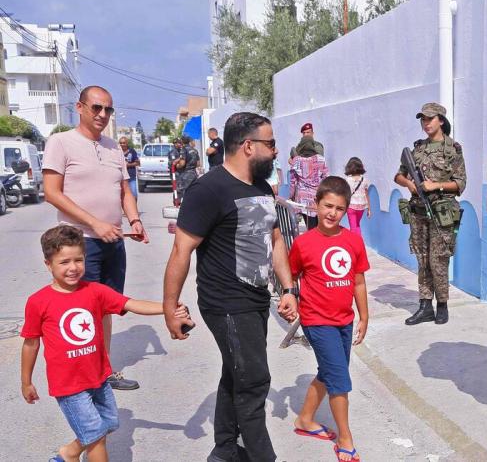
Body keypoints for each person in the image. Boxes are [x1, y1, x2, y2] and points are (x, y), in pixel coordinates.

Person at [162, 112, 298, 462]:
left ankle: (224, 449)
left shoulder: (262, 187)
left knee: (235, 371)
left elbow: (276, 238)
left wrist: (288, 289)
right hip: (224, 302)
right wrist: (170, 307)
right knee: (253, 381)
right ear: (248, 146)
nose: (276, 150)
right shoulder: (209, 189)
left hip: (255, 299)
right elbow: (182, 249)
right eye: (270, 144)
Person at [20, 225, 191, 462]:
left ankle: (68, 454)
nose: (73, 268)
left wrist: (168, 308)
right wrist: (26, 381)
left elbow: (131, 303)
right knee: (96, 437)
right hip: (69, 385)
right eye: (64, 262)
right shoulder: (38, 302)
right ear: (48, 264)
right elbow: (30, 343)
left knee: (109, 423)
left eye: (78, 260)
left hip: (98, 377)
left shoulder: (95, 291)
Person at [43, 85, 150, 392]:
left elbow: (124, 192)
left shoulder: (115, 148)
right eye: (96, 108)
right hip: (79, 243)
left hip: (113, 241)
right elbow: (51, 192)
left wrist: (135, 219)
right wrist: (94, 223)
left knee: (104, 306)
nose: (103, 114)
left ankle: (103, 370)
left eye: (108, 109)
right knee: (80, 311)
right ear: (80, 108)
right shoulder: (61, 142)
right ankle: (82, 376)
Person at [288, 176, 369, 462]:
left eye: (339, 208)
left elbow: (358, 281)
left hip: (344, 320)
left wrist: (364, 316)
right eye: (327, 206)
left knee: (329, 372)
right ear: (316, 204)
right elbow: (291, 277)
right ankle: (345, 439)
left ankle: (305, 419)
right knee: (339, 380)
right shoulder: (303, 243)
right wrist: (291, 300)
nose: (332, 213)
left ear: (346, 210)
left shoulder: (353, 241)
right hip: (316, 321)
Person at [393, 102, 466, 326]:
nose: (426, 123)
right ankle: (425, 305)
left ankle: (442, 305)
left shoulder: (453, 149)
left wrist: (435, 186)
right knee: (422, 259)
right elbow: (398, 176)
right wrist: (409, 184)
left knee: (438, 260)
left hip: (441, 212)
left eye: (430, 119)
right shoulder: (417, 149)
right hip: (418, 211)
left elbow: (460, 184)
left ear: (441, 121)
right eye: (423, 119)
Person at [289, 136, 329, 231]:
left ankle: (313, 243)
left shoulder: (297, 161)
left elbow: (293, 182)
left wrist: (291, 195)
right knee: (319, 224)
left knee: (310, 226)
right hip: (317, 197)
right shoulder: (321, 159)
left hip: (303, 199)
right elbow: (326, 178)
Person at [343, 157, 371, 236]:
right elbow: (366, 194)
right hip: (361, 206)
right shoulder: (364, 180)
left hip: (351, 206)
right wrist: (369, 208)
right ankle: (358, 242)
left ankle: (355, 244)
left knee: (353, 227)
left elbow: (345, 193)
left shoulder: (347, 180)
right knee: (357, 225)